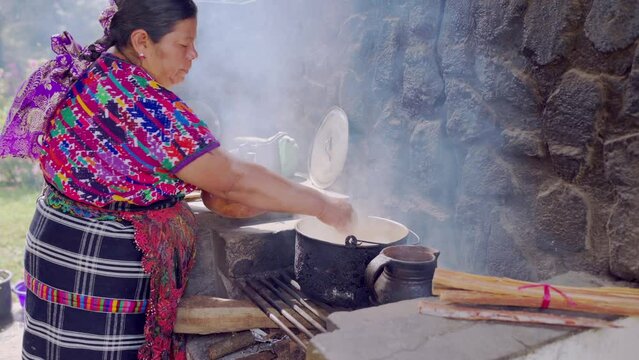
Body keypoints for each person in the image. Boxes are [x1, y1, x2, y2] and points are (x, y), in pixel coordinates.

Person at [0, 1, 355, 359]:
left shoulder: (102, 69)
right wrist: (322, 205)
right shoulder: (143, 103)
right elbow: (230, 180)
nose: (194, 55)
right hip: (98, 264)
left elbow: (118, 163)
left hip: (55, 241)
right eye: (184, 45)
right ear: (142, 41)